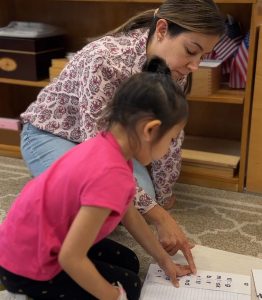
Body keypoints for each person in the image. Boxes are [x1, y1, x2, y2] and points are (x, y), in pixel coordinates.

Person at [20, 0, 226, 261]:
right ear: (162, 29)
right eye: (191, 50)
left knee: (136, 203)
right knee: (93, 202)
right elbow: (93, 152)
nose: (195, 65)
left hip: (110, 145)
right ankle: (48, 185)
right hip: (50, 134)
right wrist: (158, 216)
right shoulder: (105, 58)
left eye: (202, 56)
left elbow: (170, 136)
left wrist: (161, 199)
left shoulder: (175, 68)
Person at [0, 58, 195, 300]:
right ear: (150, 130)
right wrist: (113, 296)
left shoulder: (107, 146)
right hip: (26, 266)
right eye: (171, 139)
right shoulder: (111, 175)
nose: (169, 148)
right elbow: (70, 257)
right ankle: (21, 295)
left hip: (28, 240)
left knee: (129, 261)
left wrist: (163, 259)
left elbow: (129, 212)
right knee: (131, 287)